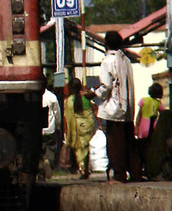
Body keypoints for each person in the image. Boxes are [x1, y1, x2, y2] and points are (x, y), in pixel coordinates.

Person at [89, 30, 140, 183]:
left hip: (113, 108)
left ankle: (119, 175)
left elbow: (106, 86)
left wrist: (93, 93)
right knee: (129, 144)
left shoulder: (107, 61)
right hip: (127, 108)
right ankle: (136, 173)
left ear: (105, 44)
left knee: (115, 144)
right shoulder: (126, 60)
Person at [64, 77, 98, 179]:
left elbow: (68, 118)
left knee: (79, 149)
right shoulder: (86, 98)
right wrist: (99, 124)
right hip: (88, 126)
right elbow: (94, 110)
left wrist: (67, 131)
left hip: (77, 128)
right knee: (86, 147)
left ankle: (83, 170)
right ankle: (86, 169)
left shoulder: (69, 101)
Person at [136, 82, 164, 176]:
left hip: (143, 125)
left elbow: (139, 114)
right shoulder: (158, 103)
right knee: (150, 148)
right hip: (152, 126)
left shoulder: (143, 100)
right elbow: (163, 113)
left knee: (141, 147)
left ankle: (140, 168)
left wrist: (136, 126)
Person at [41, 76, 62, 179]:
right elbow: (57, 113)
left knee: (39, 151)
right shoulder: (51, 96)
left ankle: (40, 171)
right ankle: (48, 161)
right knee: (50, 149)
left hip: (38, 130)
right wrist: (58, 126)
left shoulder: (34, 96)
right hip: (50, 129)